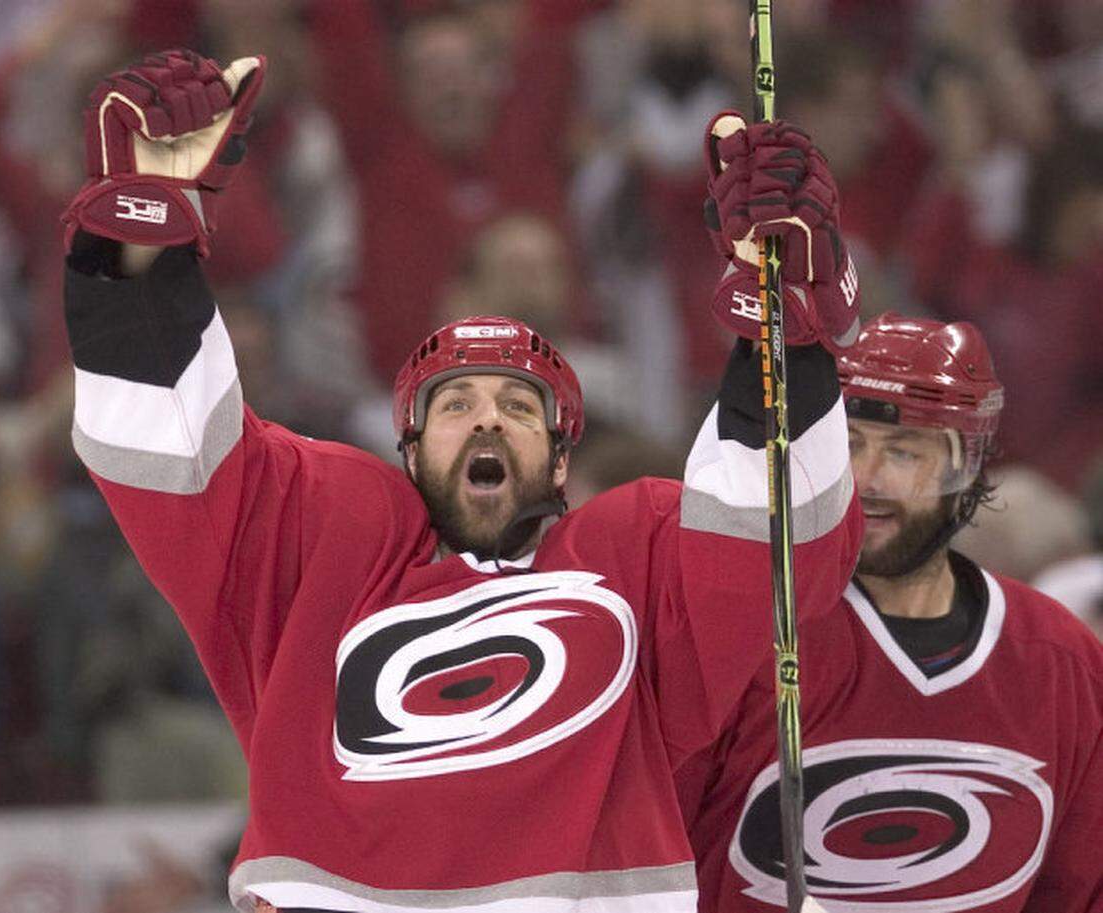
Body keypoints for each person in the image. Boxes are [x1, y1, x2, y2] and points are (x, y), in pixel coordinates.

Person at [59, 51, 862, 912]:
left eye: (518, 405)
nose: (486, 419)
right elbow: (179, 460)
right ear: (409, 451)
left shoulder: (632, 564)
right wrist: (142, 238)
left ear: (561, 459)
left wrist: (791, 330)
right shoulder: (326, 556)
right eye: (455, 404)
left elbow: (779, 545)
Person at [682, 313, 1103, 911]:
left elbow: (1082, 890)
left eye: (903, 453)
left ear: (967, 467)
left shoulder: (1060, 659)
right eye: (847, 445)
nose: (867, 479)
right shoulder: (746, 634)